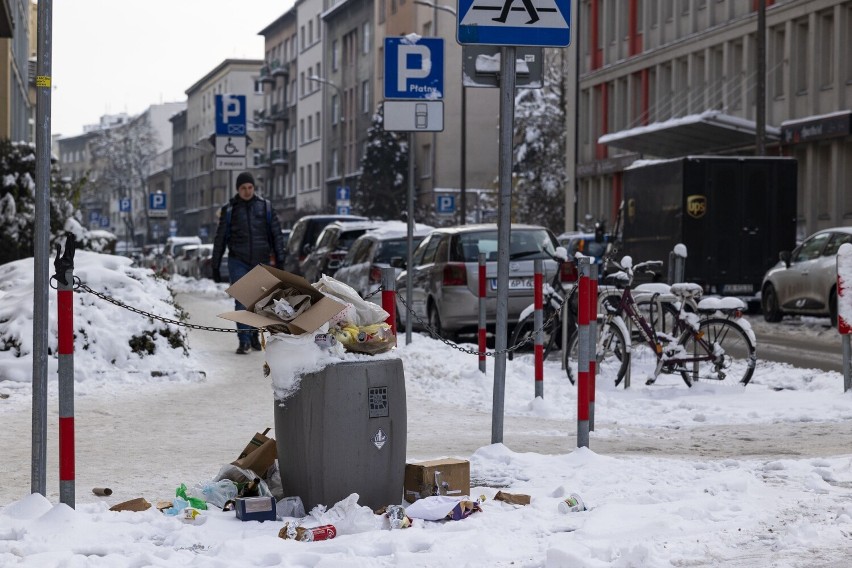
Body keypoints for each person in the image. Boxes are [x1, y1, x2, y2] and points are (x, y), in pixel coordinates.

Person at [211, 172, 286, 354]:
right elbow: (220, 238)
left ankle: (253, 335)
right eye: (243, 188)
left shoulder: (265, 207)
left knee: (259, 302)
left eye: (250, 187)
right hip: (238, 260)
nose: (247, 191)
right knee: (242, 301)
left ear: (254, 188)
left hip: (261, 261)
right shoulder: (230, 210)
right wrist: (215, 263)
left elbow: (276, 234)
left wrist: (280, 258)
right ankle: (244, 340)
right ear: (238, 189)